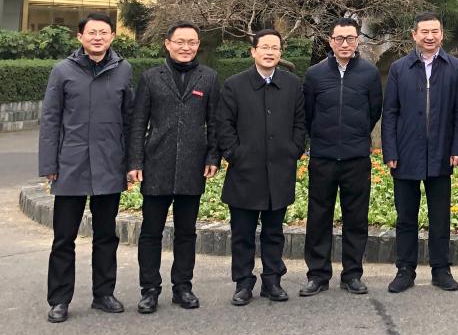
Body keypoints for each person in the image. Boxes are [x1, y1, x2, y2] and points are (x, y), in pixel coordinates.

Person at [40, 13, 134, 323]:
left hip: (109, 163)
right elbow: (50, 119)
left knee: (106, 235)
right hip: (71, 164)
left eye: (103, 32)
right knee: (63, 238)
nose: (97, 37)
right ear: (80, 37)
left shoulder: (123, 70)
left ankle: (103, 294)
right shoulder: (62, 71)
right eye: (91, 32)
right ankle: (59, 299)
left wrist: (131, 163)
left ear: (112, 37)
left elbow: (130, 120)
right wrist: (49, 163)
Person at [128, 22, 220, 313]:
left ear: (198, 45)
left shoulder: (209, 78)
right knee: (151, 232)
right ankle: (149, 289)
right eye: (180, 41)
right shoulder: (150, 77)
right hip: (156, 164)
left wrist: (213, 157)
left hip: (193, 166)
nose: (186, 47)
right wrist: (135, 161)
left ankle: (183, 287)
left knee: (186, 232)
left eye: (191, 42)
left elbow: (214, 122)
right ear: (167, 43)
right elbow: (138, 123)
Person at [381, 12, 458, 293]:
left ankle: (441, 269)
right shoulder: (399, 68)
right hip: (406, 153)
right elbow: (390, 112)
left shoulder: (454, 67)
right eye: (424, 32)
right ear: (414, 35)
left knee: (440, 217)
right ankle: (405, 270)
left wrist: (457, 148)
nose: (430, 37)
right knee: (406, 217)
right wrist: (390, 150)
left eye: (435, 32)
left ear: (442, 34)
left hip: (441, 152)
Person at [218, 29, 305, 306]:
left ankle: (272, 280)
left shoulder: (292, 84)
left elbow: (300, 122)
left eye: (274, 48)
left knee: (274, 232)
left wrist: (293, 149)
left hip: (279, 170)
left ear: (281, 52)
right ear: (253, 51)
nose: (269, 52)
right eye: (264, 47)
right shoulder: (234, 85)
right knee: (242, 233)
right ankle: (243, 282)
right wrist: (236, 154)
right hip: (245, 172)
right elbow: (224, 126)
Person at [300, 17, 383, 297]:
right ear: (330, 41)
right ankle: (317, 274)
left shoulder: (369, 74)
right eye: (339, 38)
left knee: (356, 218)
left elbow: (374, 111)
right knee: (318, 217)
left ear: (357, 40)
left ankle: (352, 274)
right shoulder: (315, 74)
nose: (345, 43)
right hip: (323, 157)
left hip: (356, 158)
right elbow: (308, 113)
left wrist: (356, 136)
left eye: (350, 38)